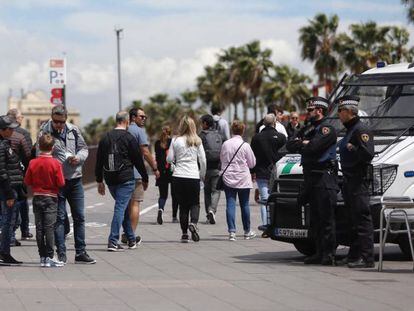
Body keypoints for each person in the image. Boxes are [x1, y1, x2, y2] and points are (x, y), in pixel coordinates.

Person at [37, 104, 95, 264]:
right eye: (56, 121)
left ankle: (81, 252)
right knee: (60, 218)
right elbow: (39, 155)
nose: (59, 125)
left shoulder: (73, 130)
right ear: (52, 117)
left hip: (75, 178)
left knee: (80, 217)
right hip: (57, 182)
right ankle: (61, 253)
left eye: (61, 122)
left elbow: (84, 149)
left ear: (66, 119)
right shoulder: (44, 132)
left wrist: (79, 158)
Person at [286, 97, 338, 265]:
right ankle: (318, 251)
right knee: (314, 218)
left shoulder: (327, 129)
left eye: (310, 110)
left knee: (326, 219)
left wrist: (303, 143)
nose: (307, 113)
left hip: (323, 177)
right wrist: (304, 142)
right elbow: (290, 145)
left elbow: (315, 147)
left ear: (319, 111)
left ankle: (328, 254)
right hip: (310, 177)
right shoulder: (309, 128)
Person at [95, 111, 149, 252]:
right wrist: (145, 177)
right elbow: (138, 160)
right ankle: (113, 241)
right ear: (126, 121)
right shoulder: (129, 138)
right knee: (120, 208)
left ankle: (131, 240)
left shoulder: (105, 137)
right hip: (125, 178)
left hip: (110, 178)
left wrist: (99, 181)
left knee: (123, 208)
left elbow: (99, 160)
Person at [337, 95, 375, 268]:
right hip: (349, 180)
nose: (338, 114)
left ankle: (367, 258)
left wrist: (355, 148)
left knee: (362, 219)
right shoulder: (350, 129)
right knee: (352, 220)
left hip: (358, 180)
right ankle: (354, 255)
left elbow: (368, 154)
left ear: (349, 112)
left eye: (340, 111)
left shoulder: (360, 129)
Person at [25, 133, 65, 267]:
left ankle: (42, 256)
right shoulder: (56, 163)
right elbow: (61, 182)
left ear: (39, 146)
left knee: (39, 228)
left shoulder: (33, 162)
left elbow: (27, 181)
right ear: (53, 147)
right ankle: (50, 256)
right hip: (51, 198)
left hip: (37, 196)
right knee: (49, 228)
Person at [121, 108, 160, 244]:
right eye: (141, 117)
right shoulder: (138, 131)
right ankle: (130, 235)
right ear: (133, 117)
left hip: (121, 173)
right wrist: (155, 168)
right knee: (135, 204)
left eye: (145, 117)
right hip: (135, 173)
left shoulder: (123, 129)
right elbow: (145, 152)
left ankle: (124, 233)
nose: (144, 119)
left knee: (123, 205)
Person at [167, 116, 206, 243]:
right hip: (193, 176)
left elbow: (169, 158)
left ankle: (184, 234)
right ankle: (193, 223)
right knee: (195, 203)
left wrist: (175, 161)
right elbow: (203, 160)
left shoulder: (175, 140)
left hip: (178, 176)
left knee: (183, 206)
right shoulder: (197, 140)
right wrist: (202, 174)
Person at [220, 120, 256, 241]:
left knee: (230, 204)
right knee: (244, 204)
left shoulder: (225, 144)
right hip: (242, 178)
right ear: (243, 130)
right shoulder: (245, 145)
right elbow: (252, 164)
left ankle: (232, 232)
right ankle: (247, 231)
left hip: (228, 177)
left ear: (232, 130)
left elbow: (222, 159)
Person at [251, 114, 286, 236]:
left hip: (261, 171)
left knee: (264, 199)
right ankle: (275, 224)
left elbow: (253, 156)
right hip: (277, 171)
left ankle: (266, 227)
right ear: (275, 123)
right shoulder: (281, 137)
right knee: (275, 198)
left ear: (263, 123)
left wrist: (252, 172)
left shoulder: (256, 138)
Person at [6, 109, 33, 244]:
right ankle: (24, 230)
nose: (22, 118)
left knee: (8, 205)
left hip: (7, 175)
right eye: (21, 116)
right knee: (20, 203)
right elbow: (29, 155)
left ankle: (9, 235)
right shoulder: (23, 134)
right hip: (19, 174)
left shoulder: (5, 134)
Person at [0, 115, 23, 265]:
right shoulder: (2, 146)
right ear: (3, 130)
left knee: (10, 221)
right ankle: (4, 252)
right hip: (6, 190)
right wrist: (9, 193)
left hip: (11, 188)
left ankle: (5, 251)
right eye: (10, 129)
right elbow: (2, 171)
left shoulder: (5, 143)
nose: (13, 132)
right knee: (8, 222)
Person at [199, 114, 223, 224]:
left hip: (206, 167)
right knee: (216, 191)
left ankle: (209, 213)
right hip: (217, 167)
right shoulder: (219, 135)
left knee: (207, 192)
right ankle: (212, 210)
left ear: (205, 123)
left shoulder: (202, 136)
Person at [154, 125, 178, 224]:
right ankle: (174, 217)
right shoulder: (173, 142)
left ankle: (160, 209)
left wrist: (155, 170)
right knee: (175, 195)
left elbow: (156, 157)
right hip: (172, 171)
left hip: (161, 171)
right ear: (170, 132)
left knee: (163, 195)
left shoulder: (157, 143)